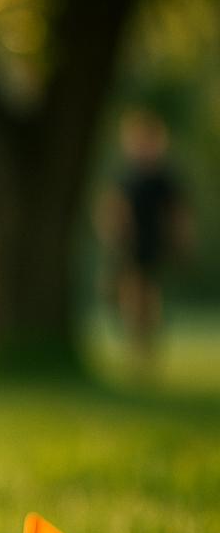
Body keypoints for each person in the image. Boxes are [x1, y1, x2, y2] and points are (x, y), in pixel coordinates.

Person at [97, 110, 193, 369]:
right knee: (129, 295)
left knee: (146, 295)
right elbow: (112, 207)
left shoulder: (163, 178)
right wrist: (111, 233)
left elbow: (178, 213)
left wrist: (181, 240)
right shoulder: (126, 176)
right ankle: (136, 342)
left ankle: (145, 345)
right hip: (128, 245)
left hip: (152, 244)